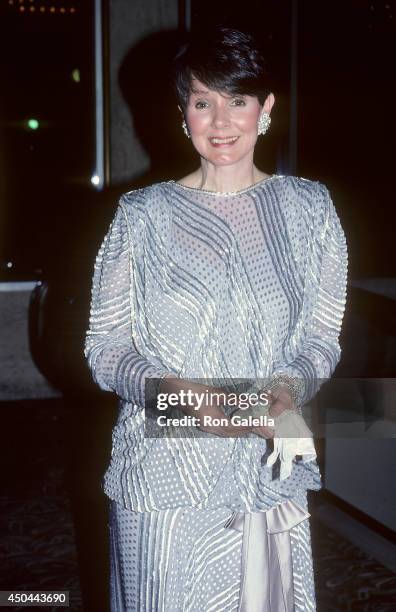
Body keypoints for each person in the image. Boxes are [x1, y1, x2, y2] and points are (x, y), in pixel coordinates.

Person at [84, 26, 348, 612]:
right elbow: (106, 350)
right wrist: (189, 399)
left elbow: (320, 338)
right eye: (203, 102)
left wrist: (281, 394)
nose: (221, 121)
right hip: (164, 473)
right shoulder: (141, 216)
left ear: (267, 108)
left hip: (265, 466)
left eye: (238, 100)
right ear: (183, 114)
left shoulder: (311, 210)